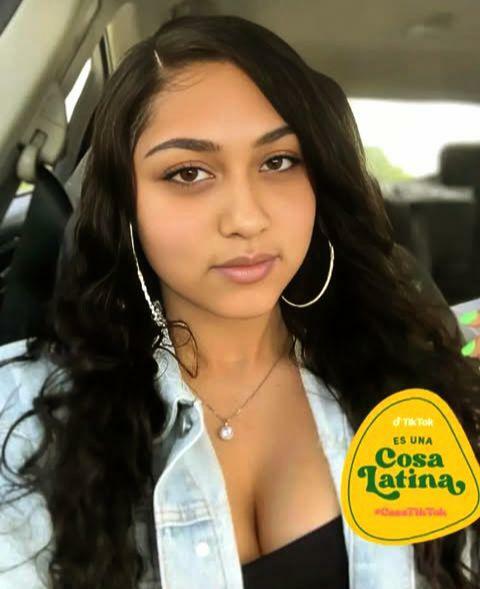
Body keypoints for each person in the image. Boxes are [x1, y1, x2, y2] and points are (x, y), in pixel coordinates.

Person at [0, 14, 479, 589]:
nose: (247, 219)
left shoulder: (413, 387)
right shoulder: (22, 417)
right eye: (188, 173)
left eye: (278, 162)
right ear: (127, 203)